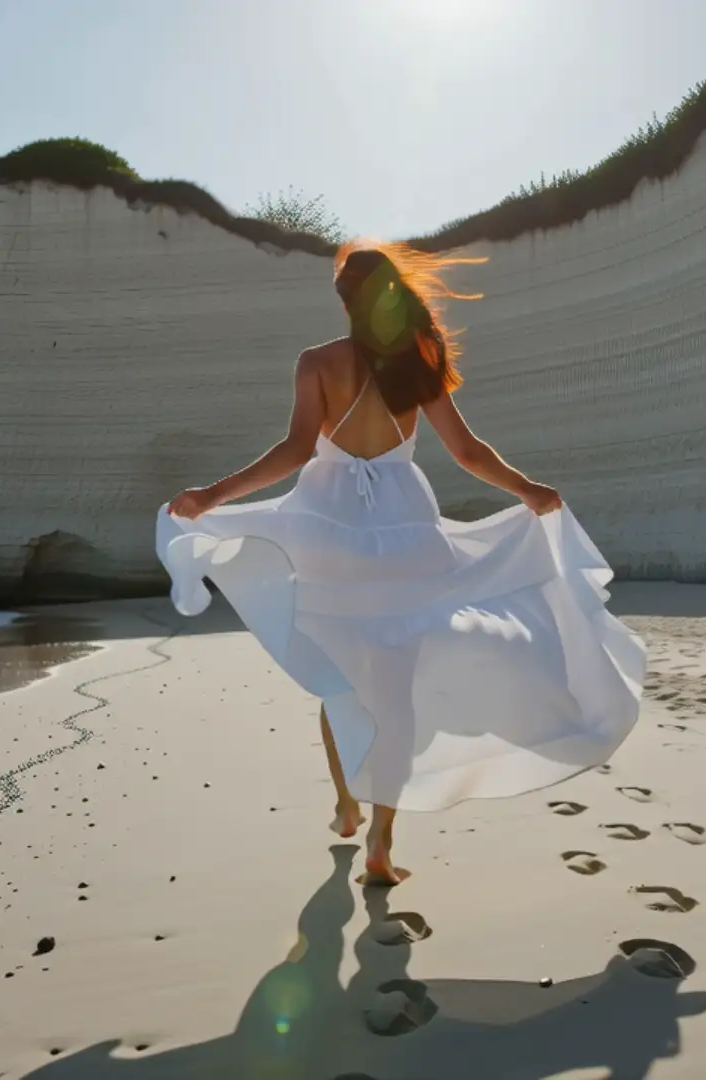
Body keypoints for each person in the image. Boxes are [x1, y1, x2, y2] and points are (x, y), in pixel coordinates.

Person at [158, 239, 644, 886]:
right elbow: (467, 452)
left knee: (336, 679)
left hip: (328, 534)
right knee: (395, 692)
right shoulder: (418, 363)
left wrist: (212, 496)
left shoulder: (317, 363)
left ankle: (344, 805)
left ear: (343, 300)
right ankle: (383, 842)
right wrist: (529, 490)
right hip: (406, 537)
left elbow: (298, 450)